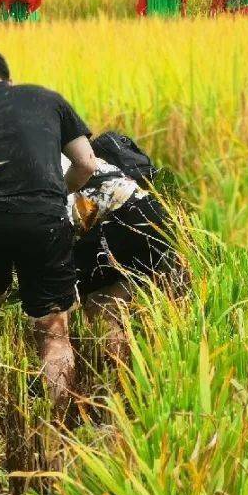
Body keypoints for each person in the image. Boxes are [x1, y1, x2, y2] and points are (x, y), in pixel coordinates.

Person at [0, 51, 96, 401]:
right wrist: (55, 195)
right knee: (52, 324)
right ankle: (56, 416)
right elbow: (87, 162)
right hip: (44, 219)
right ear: (8, 79)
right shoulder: (48, 99)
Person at [66, 153, 175, 363]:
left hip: (129, 223)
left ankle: (115, 368)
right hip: (159, 225)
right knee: (105, 302)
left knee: (92, 300)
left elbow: (70, 224)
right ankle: (128, 369)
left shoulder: (56, 167)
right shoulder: (79, 155)